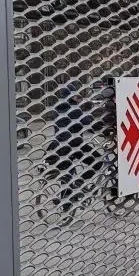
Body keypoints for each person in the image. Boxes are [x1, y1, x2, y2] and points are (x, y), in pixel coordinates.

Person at [47, 80, 96, 214]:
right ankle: (79, 185)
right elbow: (89, 123)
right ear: (71, 96)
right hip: (74, 145)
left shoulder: (57, 108)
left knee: (67, 175)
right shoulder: (74, 109)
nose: (78, 98)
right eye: (76, 95)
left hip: (58, 147)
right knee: (97, 161)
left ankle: (67, 207)